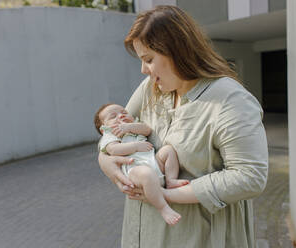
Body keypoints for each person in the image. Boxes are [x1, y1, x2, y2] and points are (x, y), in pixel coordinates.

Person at [98, 5, 268, 248]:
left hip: (199, 237)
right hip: (142, 234)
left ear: (177, 51)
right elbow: (113, 130)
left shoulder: (231, 100)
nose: (143, 70)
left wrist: (165, 195)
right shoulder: (150, 87)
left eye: (149, 59)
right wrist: (106, 162)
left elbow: (250, 177)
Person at [94, 103, 189, 225]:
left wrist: (129, 127)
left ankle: (171, 180)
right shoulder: (109, 135)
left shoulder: (133, 126)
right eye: (113, 116)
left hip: (155, 162)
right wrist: (135, 146)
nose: (121, 116)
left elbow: (147, 130)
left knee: (168, 151)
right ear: (103, 128)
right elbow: (113, 150)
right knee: (146, 173)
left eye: (123, 112)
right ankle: (163, 208)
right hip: (135, 169)